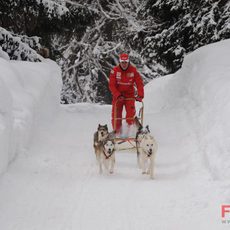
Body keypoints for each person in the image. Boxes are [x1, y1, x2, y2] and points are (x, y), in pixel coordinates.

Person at [109, 53, 144, 134]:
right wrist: (118, 95)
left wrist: (140, 95)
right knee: (116, 116)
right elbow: (111, 85)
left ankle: (130, 132)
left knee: (130, 115)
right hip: (118, 96)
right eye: (122, 62)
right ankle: (117, 133)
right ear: (120, 62)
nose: (124, 64)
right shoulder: (115, 71)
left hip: (129, 96)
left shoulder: (133, 70)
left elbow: (139, 83)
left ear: (128, 62)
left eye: (126, 62)